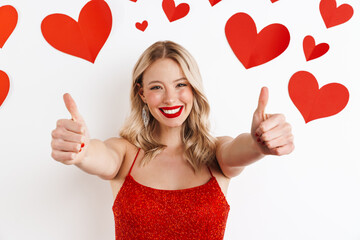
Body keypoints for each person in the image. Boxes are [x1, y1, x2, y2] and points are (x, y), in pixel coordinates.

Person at [51, 41, 294, 239]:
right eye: (157, 87)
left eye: (180, 84)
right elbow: (99, 155)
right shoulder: (125, 153)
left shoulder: (217, 154)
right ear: (142, 93)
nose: (170, 98)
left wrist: (258, 144)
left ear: (194, 88)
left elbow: (241, 149)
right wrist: (81, 152)